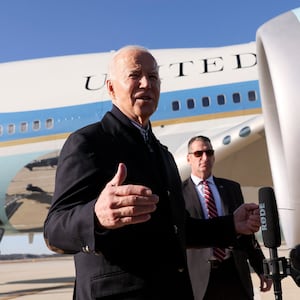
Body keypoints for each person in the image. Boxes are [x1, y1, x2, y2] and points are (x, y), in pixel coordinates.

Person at [43, 45, 261, 300]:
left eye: (154, 77)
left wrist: (230, 224)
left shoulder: (163, 155)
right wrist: (96, 216)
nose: (147, 83)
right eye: (135, 75)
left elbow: (178, 229)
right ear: (112, 88)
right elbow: (54, 230)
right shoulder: (89, 143)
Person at [182, 135, 272, 300]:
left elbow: (246, 233)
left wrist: (261, 268)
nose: (204, 158)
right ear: (189, 158)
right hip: (200, 279)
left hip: (234, 272)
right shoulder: (180, 194)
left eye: (209, 153)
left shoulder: (231, 188)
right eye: (198, 154)